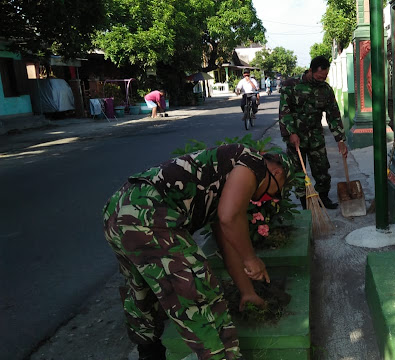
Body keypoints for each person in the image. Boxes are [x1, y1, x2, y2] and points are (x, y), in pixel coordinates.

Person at [103, 143, 293, 360]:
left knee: (142, 291)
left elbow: (227, 242)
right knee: (198, 292)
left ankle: (150, 353)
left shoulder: (223, 178)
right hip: (148, 213)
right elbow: (230, 217)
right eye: (273, 194)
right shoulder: (254, 162)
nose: (266, 199)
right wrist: (251, 259)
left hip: (118, 210)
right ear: (276, 173)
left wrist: (247, 291)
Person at [278, 55, 348, 210]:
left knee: (322, 168)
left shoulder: (325, 90)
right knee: (298, 171)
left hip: (315, 135)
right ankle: (305, 202)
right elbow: (285, 112)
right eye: (319, 76)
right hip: (295, 137)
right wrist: (291, 133)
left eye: (325, 77)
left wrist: (340, 140)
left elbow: (333, 115)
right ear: (310, 71)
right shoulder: (291, 85)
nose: (322, 79)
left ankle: (324, 197)